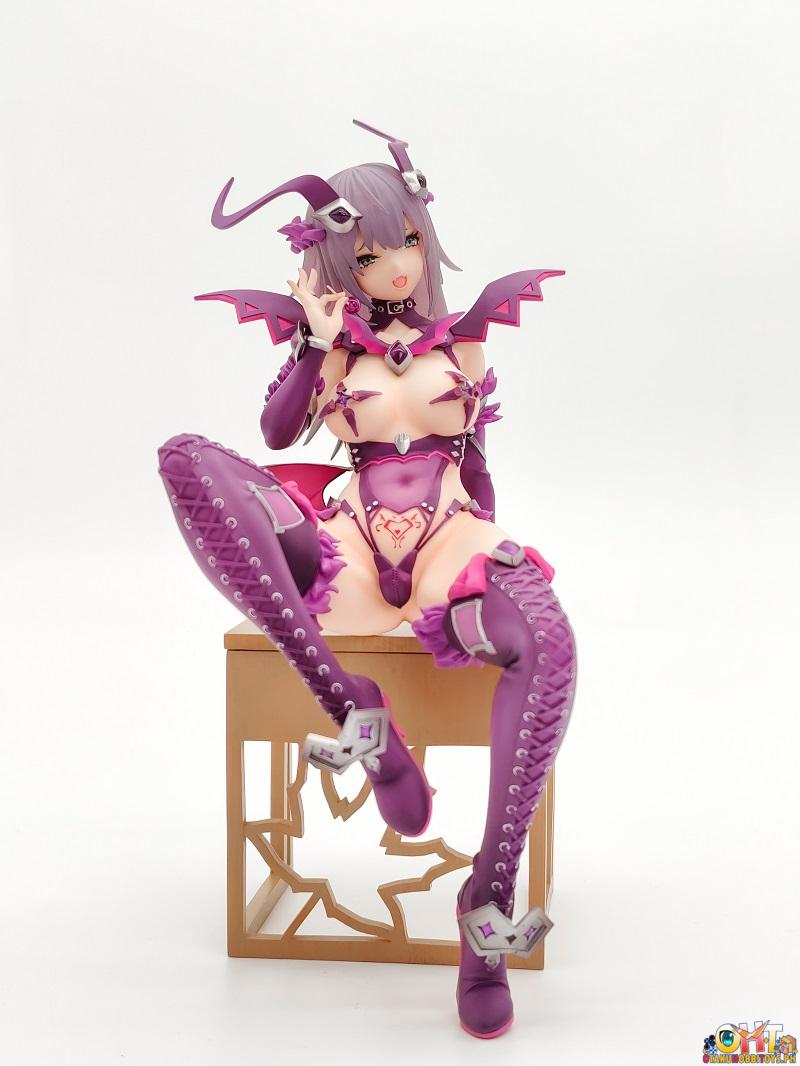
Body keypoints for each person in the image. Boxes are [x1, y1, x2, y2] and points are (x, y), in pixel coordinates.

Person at [157, 119, 577, 1040]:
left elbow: (479, 466)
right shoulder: (333, 350)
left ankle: (487, 901)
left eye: (409, 240)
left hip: (447, 537)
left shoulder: (465, 345)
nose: (396, 265)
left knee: (549, 640)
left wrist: (489, 566)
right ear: (337, 262)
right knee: (186, 460)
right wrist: (313, 343)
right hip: (347, 545)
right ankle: (354, 708)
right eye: (371, 252)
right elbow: (275, 435)